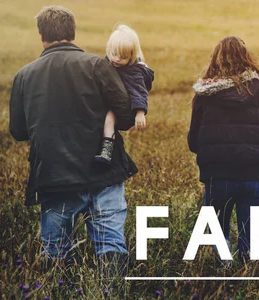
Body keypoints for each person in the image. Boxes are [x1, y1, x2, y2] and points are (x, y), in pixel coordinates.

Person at [9, 6, 137, 278]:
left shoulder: (24, 76)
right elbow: (125, 115)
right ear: (73, 32)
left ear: (41, 35)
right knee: (111, 246)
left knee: (55, 253)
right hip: (103, 173)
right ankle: (110, 295)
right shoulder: (97, 65)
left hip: (55, 179)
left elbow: (18, 131)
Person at [187, 36, 259, 264]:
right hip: (253, 175)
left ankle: (224, 275)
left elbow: (194, 142)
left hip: (216, 177)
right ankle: (246, 278)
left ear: (215, 60)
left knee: (218, 234)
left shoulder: (204, 94)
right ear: (246, 59)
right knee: (250, 240)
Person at [94, 24, 154, 165]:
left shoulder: (134, 71)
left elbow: (139, 91)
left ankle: (106, 152)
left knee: (109, 119)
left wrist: (140, 112)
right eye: (114, 54)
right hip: (109, 102)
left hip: (122, 106)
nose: (117, 59)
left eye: (123, 57)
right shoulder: (108, 64)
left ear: (132, 56)